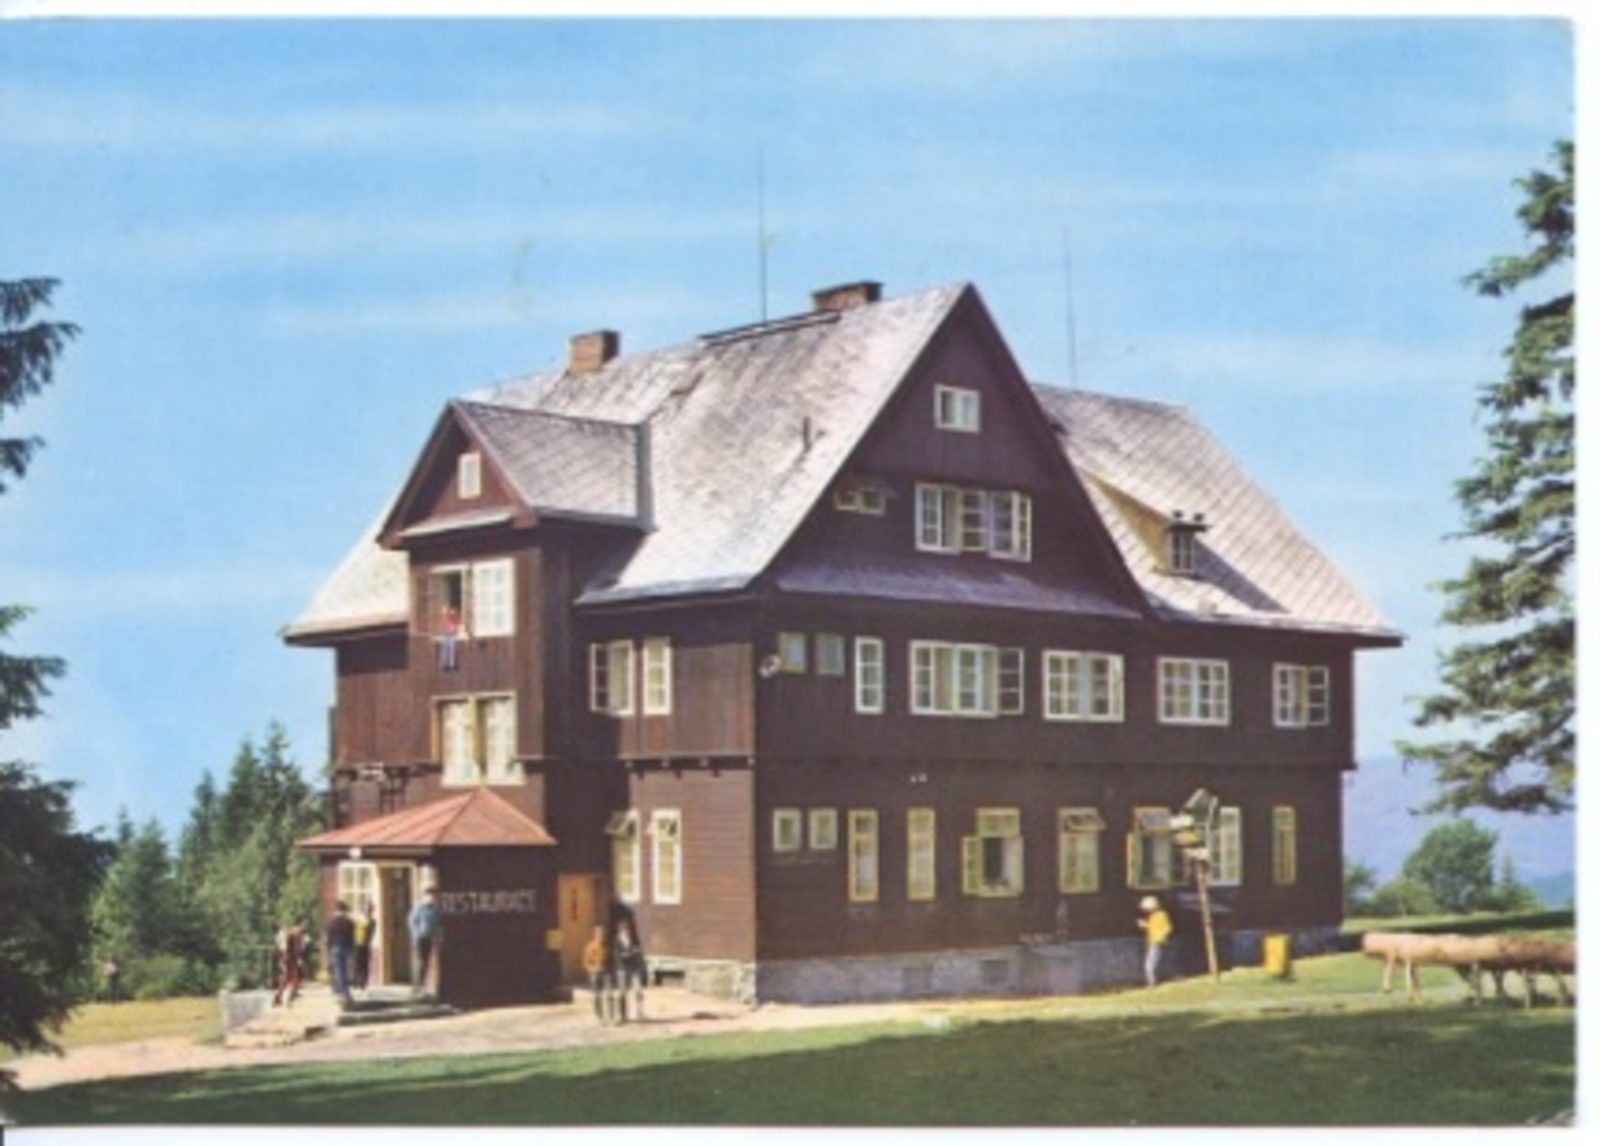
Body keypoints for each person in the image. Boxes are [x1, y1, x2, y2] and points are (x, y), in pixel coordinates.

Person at [409, 886, 442, 998]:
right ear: (426, 896)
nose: (433, 898)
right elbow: (412, 921)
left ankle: (422, 986)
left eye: (434, 896)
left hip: (430, 938)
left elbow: (438, 923)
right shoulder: (419, 907)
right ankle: (417, 987)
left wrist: (438, 936)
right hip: (420, 938)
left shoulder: (436, 909)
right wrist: (416, 934)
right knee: (420, 962)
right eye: (431, 896)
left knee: (426, 962)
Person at [613, 919, 647, 1023]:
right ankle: (623, 1016)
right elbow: (618, 956)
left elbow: (638, 951)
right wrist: (629, 953)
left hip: (633, 968)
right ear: (620, 931)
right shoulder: (617, 941)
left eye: (627, 929)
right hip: (622, 969)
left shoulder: (634, 940)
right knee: (622, 992)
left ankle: (640, 1012)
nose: (626, 931)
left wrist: (636, 955)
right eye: (624, 929)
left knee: (638, 990)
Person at [326, 900, 356, 1007]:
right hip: (347, 948)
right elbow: (352, 937)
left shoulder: (331, 922)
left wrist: (328, 951)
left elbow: (329, 938)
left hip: (335, 948)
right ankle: (347, 994)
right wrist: (352, 949)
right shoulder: (349, 922)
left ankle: (342, 995)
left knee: (338, 971)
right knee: (346, 971)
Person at [1138, 895, 1173, 987]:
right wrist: (1146, 925)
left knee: (1149, 964)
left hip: (1156, 941)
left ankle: (1152, 982)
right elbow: (1155, 927)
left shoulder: (1160, 915)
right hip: (1153, 941)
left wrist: (1160, 937)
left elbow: (1167, 928)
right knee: (1151, 962)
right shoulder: (1154, 916)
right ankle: (1152, 980)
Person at [582, 925, 614, 1024]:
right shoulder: (590, 947)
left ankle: (611, 1016)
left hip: (606, 973)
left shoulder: (607, 946)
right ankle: (599, 1017)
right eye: (599, 933)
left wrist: (611, 971)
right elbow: (586, 962)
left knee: (609, 994)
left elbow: (611, 960)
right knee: (597, 995)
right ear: (595, 934)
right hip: (595, 973)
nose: (601, 935)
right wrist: (592, 970)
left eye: (602, 933)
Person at [272, 924, 305, 1007]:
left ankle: (282, 998)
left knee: (288, 979)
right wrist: (299, 958)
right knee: (291, 979)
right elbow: (298, 949)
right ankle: (286, 998)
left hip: (289, 959)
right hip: (291, 960)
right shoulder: (296, 936)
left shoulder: (291, 936)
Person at [353, 899, 376, 992]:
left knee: (365, 964)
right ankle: (356, 982)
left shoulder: (372, 921)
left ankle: (363, 982)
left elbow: (371, 933)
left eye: (370, 909)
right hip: (357, 943)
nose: (368, 911)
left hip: (366, 944)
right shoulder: (359, 919)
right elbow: (354, 930)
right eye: (366, 909)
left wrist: (369, 943)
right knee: (357, 963)